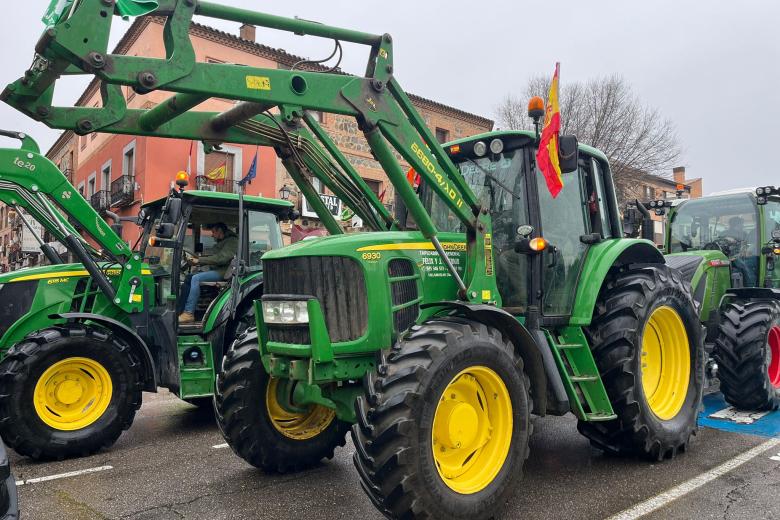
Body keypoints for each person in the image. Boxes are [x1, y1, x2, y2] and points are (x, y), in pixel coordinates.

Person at [178, 223, 238, 324]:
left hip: (224, 272)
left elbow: (221, 258)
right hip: (217, 269)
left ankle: (189, 313)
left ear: (220, 231)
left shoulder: (232, 241)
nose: (212, 235)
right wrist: (195, 259)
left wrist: (199, 260)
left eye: (213, 232)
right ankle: (180, 310)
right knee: (189, 277)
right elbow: (212, 255)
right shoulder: (222, 242)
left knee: (196, 278)